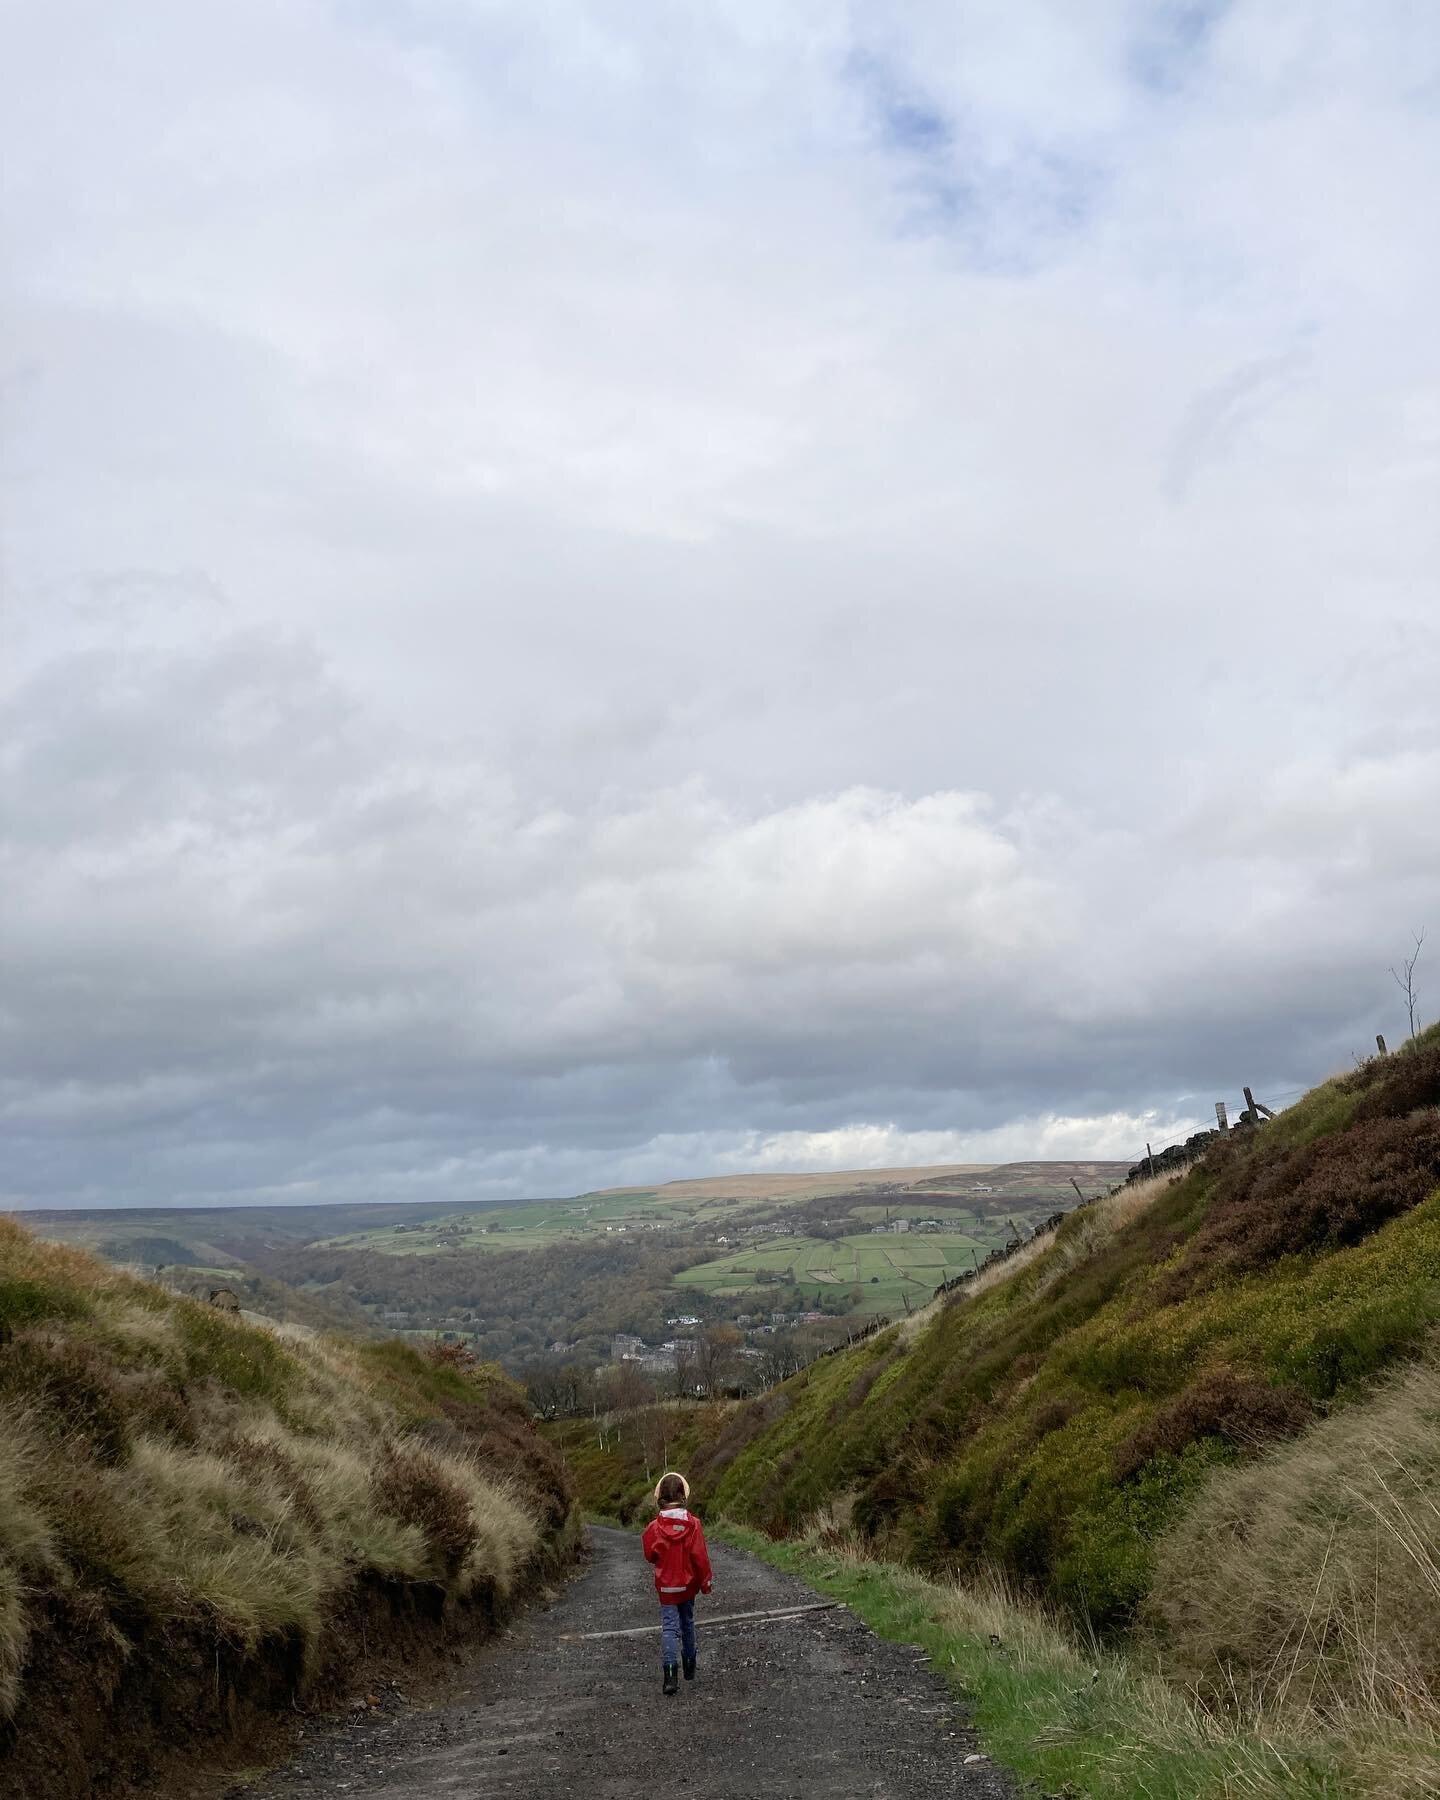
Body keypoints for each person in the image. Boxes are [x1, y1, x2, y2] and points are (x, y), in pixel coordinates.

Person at [641, 1470, 713, 1696]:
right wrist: (705, 1582)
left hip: (666, 1588)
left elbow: (650, 1555)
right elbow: (700, 1557)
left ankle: (670, 1676)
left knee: (669, 1628)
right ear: (683, 1495)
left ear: (660, 1496)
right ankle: (690, 1666)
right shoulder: (694, 1525)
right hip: (688, 1585)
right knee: (687, 1622)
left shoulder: (654, 1528)